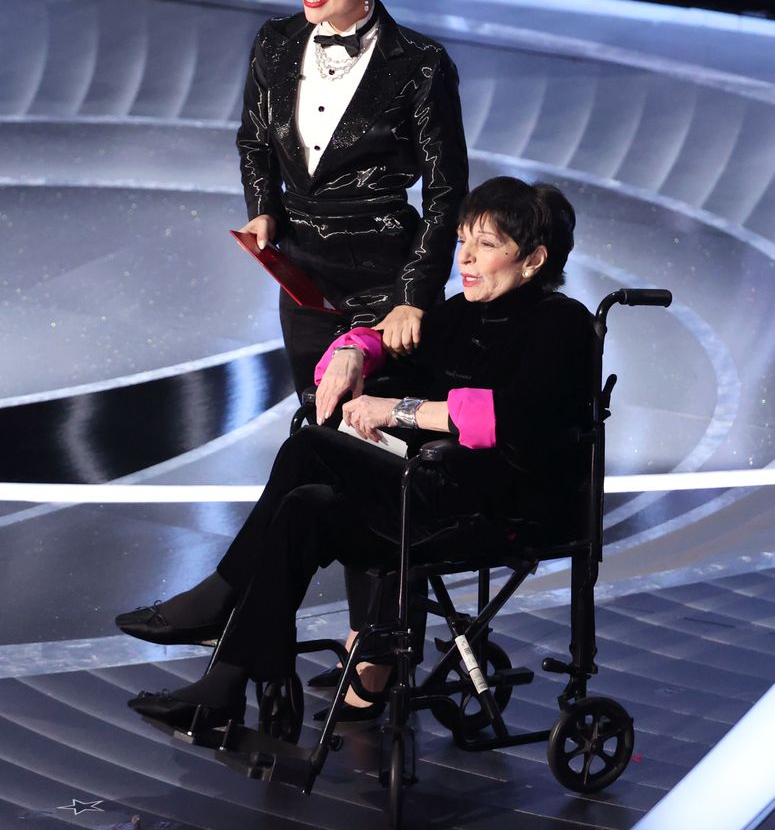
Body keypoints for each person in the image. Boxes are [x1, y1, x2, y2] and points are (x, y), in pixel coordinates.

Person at [117, 178, 595, 731]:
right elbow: (386, 340)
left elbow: (508, 417)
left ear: (533, 258)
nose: (464, 257)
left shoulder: (562, 324)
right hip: (433, 495)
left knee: (311, 449)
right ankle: (224, 686)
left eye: (485, 244)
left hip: (504, 509)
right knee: (304, 510)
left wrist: (397, 411)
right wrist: (350, 352)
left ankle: (218, 598)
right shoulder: (460, 313)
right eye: (463, 239)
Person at [237, 0, 468, 392]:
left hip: (386, 276)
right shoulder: (274, 42)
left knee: (378, 430)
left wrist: (413, 294)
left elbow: (445, 192)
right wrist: (263, 209)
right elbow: (254, 139)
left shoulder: (420, 64)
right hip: (303, 279)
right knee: (316, 421)